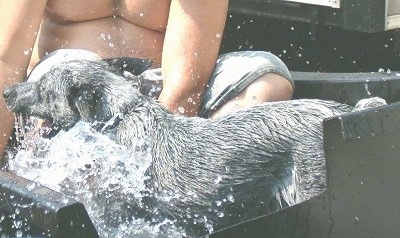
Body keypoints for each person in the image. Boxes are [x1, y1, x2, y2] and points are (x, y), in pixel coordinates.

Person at [0, 0, 293, 157]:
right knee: (79, 74)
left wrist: (160, 162)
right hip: (66, 88)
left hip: (159, 92)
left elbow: (184, 86)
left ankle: (210, 192)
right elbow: (8, 60)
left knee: (265, 81)